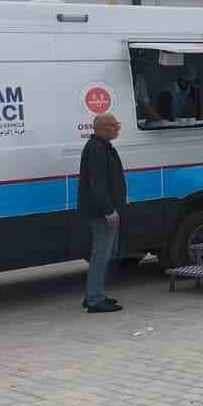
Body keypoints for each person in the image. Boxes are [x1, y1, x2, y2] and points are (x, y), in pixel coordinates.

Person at [77, 112, 126, 313]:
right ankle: (95, 299)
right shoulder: (96, 149)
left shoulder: (102, 147)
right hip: (101, 212)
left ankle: (95, 294)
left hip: (103, 210)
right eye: (114, 126)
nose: (117, 129)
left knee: (105, 254)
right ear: (102, 128)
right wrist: (109, 210)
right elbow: (98, 184)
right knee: (101, 255)